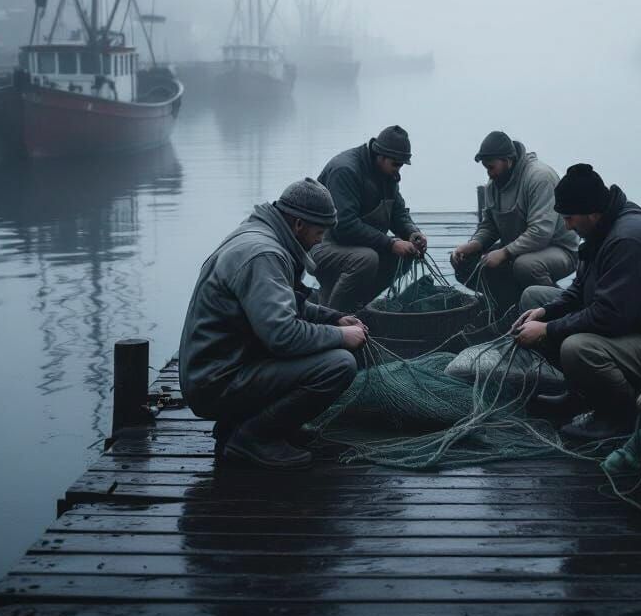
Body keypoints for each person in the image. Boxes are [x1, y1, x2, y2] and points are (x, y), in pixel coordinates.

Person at [178, 178, 367, 469]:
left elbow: (285, 302)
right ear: (299, 225)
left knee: (326, 349)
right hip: (215, 383)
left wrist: (332, 318)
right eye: (319, 232)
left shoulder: (260, 233)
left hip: (221, 368)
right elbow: (283, 336)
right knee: (339, 364)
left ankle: (255, 425)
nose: (321, 241)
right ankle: (252, 438)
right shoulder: (265, 254)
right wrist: (341, 336)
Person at [513, 163, 641, 441]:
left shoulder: (629, 241)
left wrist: (547, 330)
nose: (566, 226)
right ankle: (582, 395)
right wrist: (544, 312)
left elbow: (609, 317)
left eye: (570, 218)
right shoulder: (601, 226)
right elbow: (579, 291)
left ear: (592, 212)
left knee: (578, 349)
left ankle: (620, 416)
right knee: (534, 296)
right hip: (632, 326)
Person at [450, 130, 579, 312]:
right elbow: (489, 226)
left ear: (508, 160)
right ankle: (509, 308)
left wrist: (504, 253)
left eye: (491, 167)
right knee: (465, 263)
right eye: (486, 168)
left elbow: (541, 232)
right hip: (518, 250)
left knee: (525, 266)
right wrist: (473, 245)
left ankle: (558, 309)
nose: (489, 173)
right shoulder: (493, 185)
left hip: (559, 250)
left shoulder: (539, 177)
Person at [312, 125, 429, 313]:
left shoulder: (387, 174)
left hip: (355, 244)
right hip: (320, 244)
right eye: (396, 164)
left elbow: (398, 213)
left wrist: (412, 233)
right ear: (380, 156)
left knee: (406, 255)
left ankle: (354, 307)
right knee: (366, 259)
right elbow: (344, 226)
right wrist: (391, 244)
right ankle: (333, 318)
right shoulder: (345, 170)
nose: (398, 170)